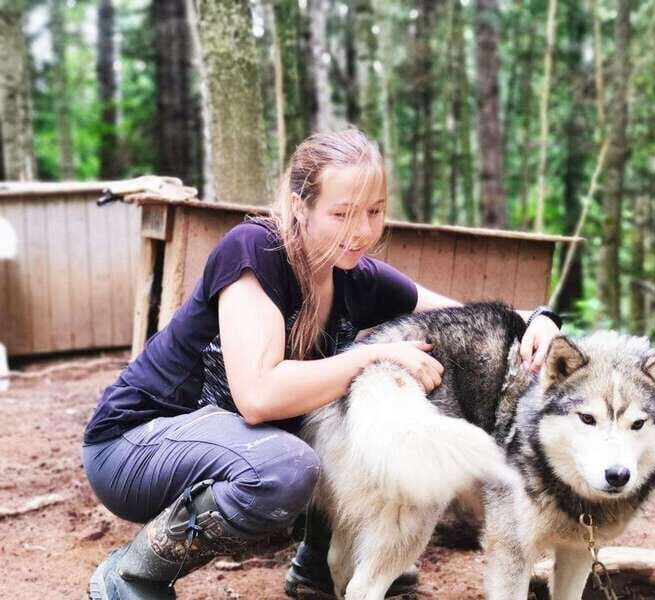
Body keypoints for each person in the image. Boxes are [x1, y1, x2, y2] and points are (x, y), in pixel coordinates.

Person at [83, 129, 562, 600]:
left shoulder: (355, 274)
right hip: (134, 446)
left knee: (341, 414)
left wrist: (540, 320)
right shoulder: (253, 250)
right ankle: (133, 576)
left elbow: (466, 318)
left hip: (218, 450)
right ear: (300, 206)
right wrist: (370, 354)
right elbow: (259, 397)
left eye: (374, 213)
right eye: (342, 214)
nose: (361, 231)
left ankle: (317, 566)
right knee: (286, 465)